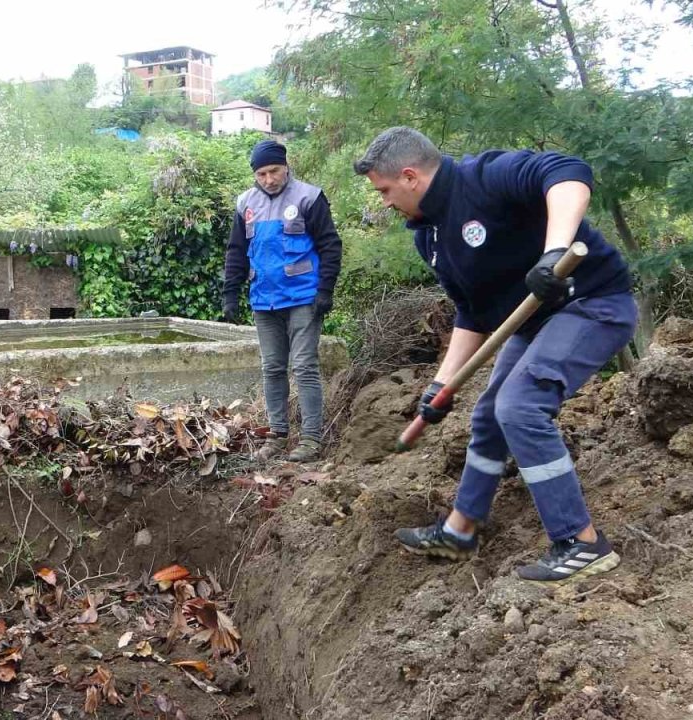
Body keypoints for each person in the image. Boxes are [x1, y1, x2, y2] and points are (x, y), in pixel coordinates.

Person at [354, 127, 636, 585]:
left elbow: (567, 172)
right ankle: (458, 531)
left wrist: (555, 254)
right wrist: (441, 386)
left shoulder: (484, 178)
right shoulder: (431, 237)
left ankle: (581, 542)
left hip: (592, 304)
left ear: (409, 176)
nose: (385, 202)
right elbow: (472, 313)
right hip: (535, 321)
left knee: (520, 407)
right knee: (488, 415)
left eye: (385, 190)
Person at [222, 139, 342, 463]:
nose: (268, 179)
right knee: (272, 367)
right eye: (261, 174)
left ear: (285, 166)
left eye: (273, 171)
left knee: (304, 366)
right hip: (264, 300)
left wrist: (325, 290)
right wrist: (230, 293)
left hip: (304, 297)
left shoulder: (309, 197)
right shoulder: (245, 204)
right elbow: (236, 251)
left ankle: (312, 439)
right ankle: (277, 435)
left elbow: (330, 245)